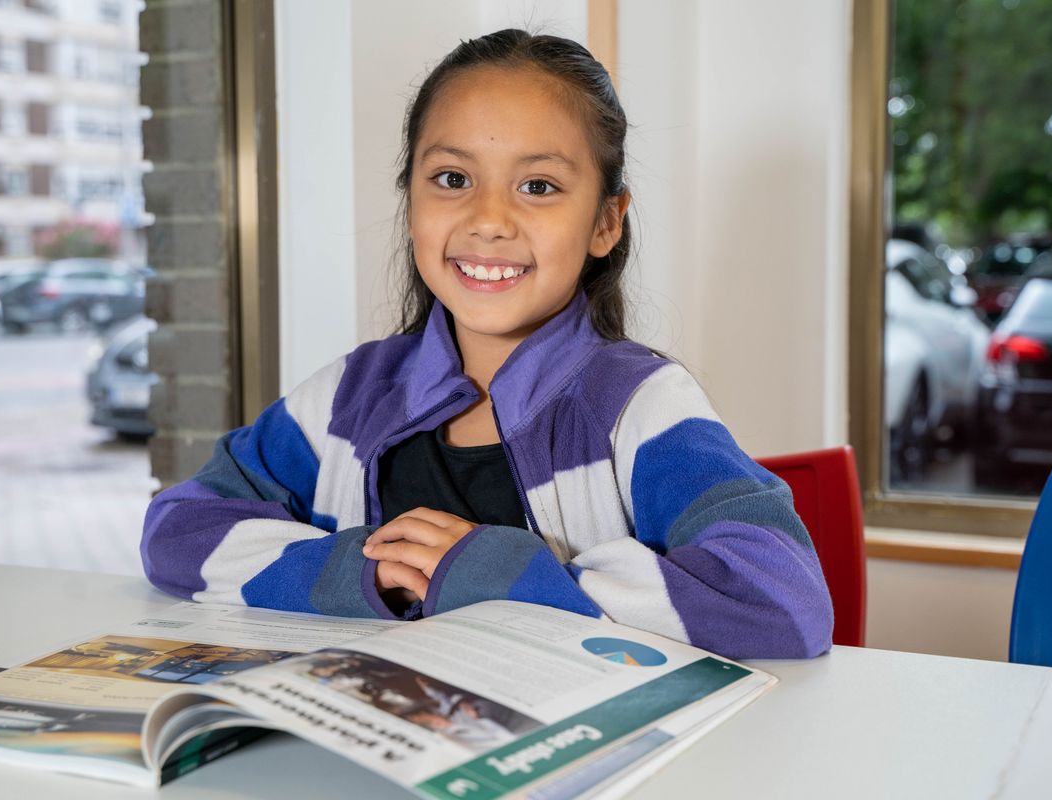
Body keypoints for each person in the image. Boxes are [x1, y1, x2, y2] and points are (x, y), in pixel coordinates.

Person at [141, 29, 833, 660]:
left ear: (605, 222)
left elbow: (783, 598)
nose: (489, 219)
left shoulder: (636, 406)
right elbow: (179, 527)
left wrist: (507, 578)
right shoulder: (350, 396)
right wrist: (351, 570)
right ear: (409, 200)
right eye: (452, 179)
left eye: (538, 186)